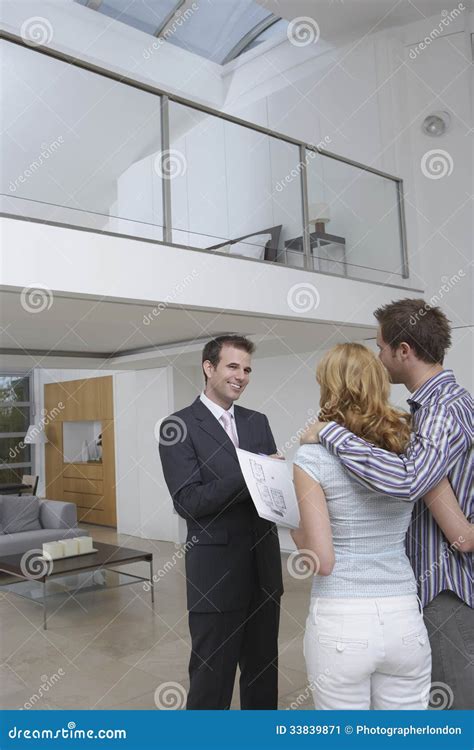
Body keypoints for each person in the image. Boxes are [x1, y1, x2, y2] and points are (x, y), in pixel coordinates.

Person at [301, 299, 473, 709]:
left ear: (403, 351)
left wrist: (330, 434)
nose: (378, 357)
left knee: (452, 717)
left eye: (380, 346)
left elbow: (412, 480)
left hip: (444, 591)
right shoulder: (418, 418)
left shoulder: (441, 410)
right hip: (414, 599)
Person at [293, 343, 436, 709]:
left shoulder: (312, 455)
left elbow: (321, 560)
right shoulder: (404, 444)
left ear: (329, 387)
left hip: (342, 622)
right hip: (404, 616)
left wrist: (291, 524)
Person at [159, 335, 283, 710]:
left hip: (264, 570)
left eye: (247, 369)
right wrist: (254, 471)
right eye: (233, 366)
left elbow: (269, 497)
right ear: (208, 367)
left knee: (263, 677)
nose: (241, 376)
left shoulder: (257, 422)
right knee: (211, 684)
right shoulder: (177, 426)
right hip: (216, 576)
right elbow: (189, 502)